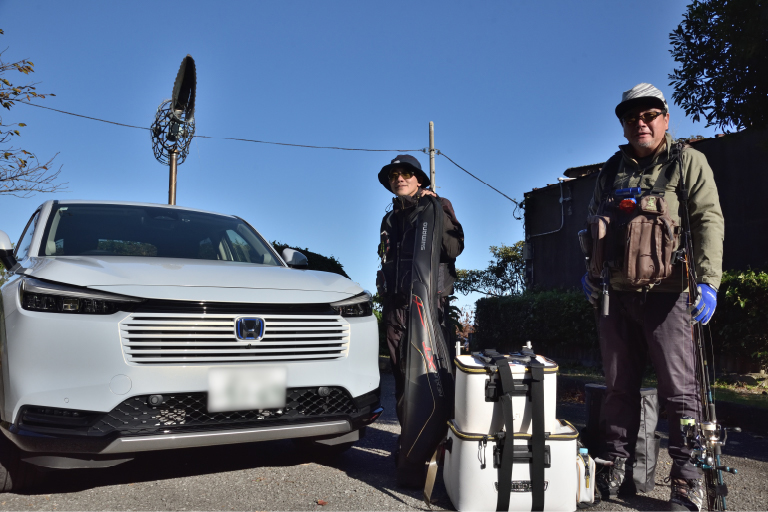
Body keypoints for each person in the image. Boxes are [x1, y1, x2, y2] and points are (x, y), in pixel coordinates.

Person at [581, 83, 723, 512]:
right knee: (618, 389)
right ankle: (615, 466)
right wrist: (589, 272)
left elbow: (707, 219)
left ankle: (687, 480)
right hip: (615, 295)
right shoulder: (610, 170)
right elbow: (592, 225)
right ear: (623, 125)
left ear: (665, 118)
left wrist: (709, 282)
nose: (640, 123)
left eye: (649, 115)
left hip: (670, 295)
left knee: (680, 392)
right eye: (631, 117)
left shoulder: (687, 161)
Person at [376, 154, 464, 425]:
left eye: (406, 174)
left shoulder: (436, 206)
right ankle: (409, 438)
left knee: (432, 372)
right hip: (395, 306)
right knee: (401, 373)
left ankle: (439, 436)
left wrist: (435, 209)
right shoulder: (389, 218)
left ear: (419, 180)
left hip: (428, 302)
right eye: (394, 176)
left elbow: (453, 249)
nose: (399, 179)